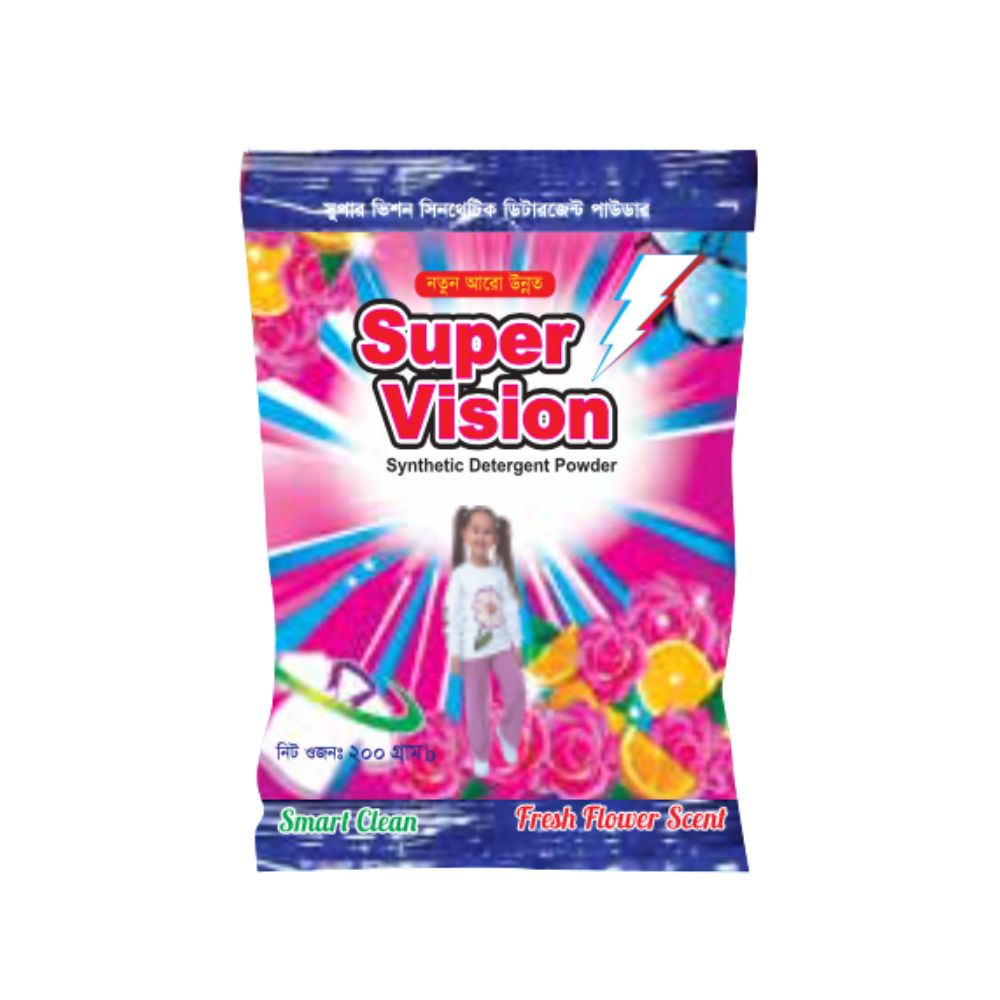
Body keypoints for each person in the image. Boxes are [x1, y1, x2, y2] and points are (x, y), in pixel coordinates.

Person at [444, 505, 525, 778]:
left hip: (501, 646)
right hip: (471, 651)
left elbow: (510, 610)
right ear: (465, 534)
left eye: (487, 532)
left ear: (496, 538)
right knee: (476, 705)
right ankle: (480, 754)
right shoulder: (460, 575)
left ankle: (508, 735)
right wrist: (454, 652)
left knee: (516, 692)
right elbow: (453, 616)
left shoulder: (499, 574)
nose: (481, 536)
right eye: (475, 530)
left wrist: (517, 643)